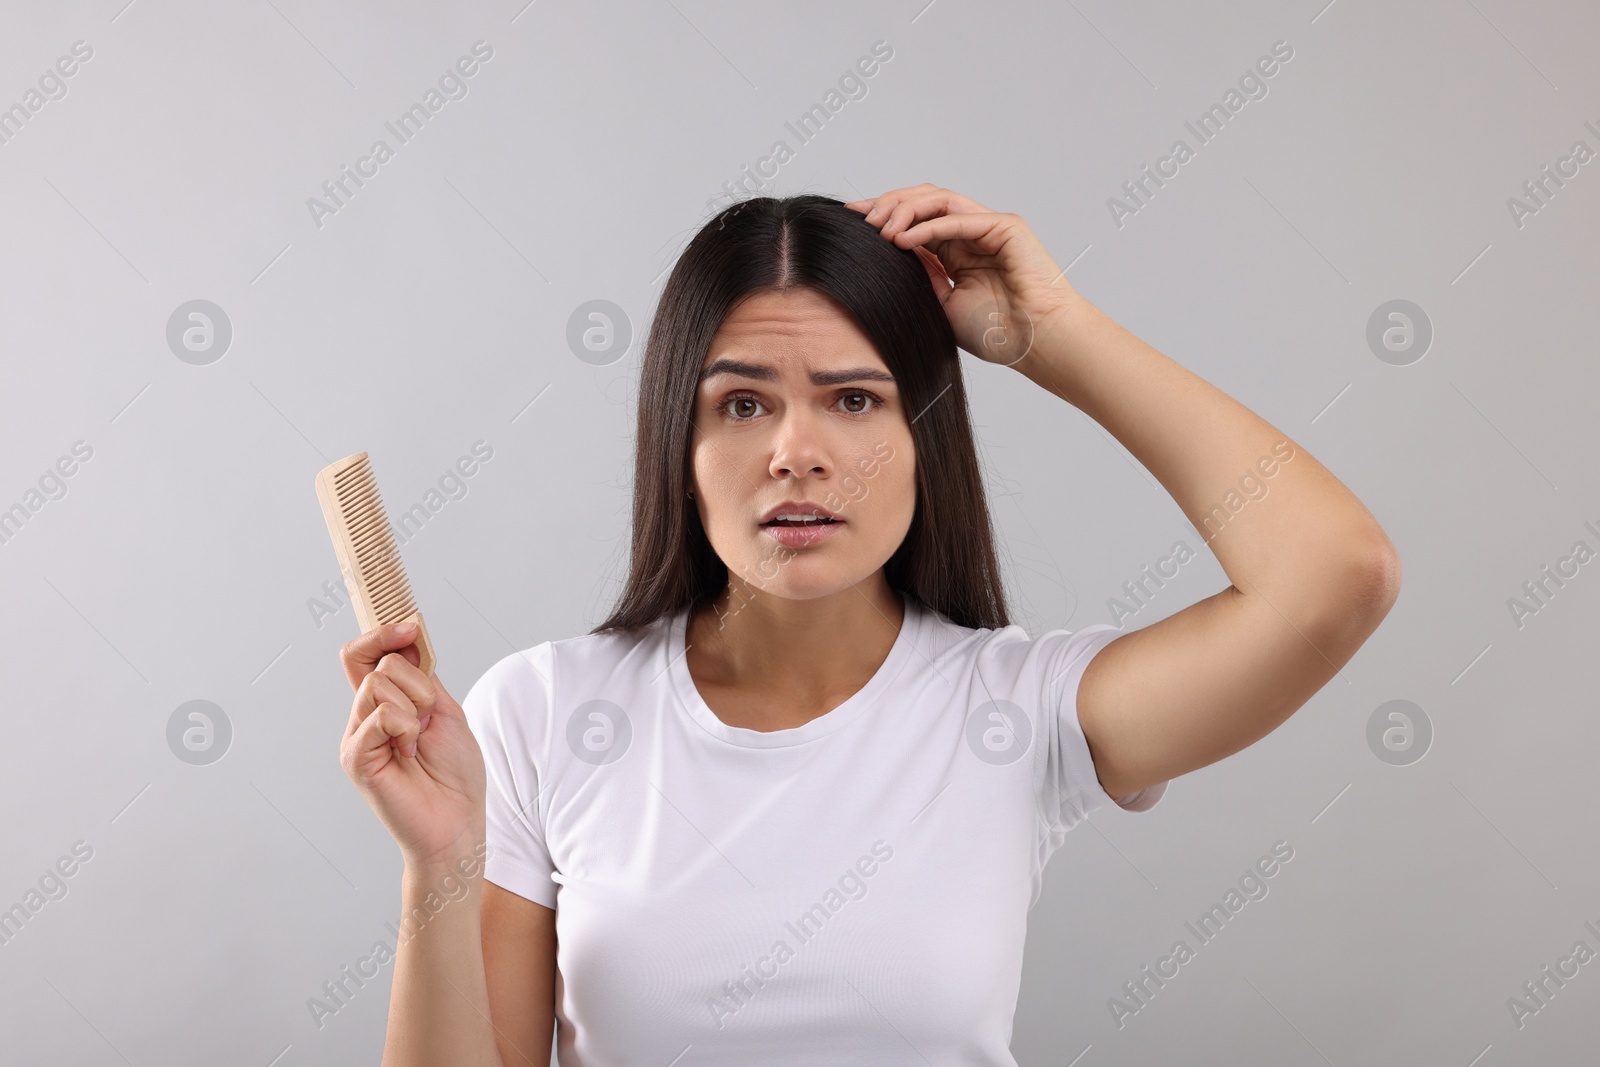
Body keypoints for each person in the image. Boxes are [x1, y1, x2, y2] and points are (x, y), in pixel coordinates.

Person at [337, 185, 1400, 1066]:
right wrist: (441, 867)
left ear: (923, 436)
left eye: (853, 399)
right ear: (679, 444)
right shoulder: (543, 710)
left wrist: (1054, 338)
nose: (796, 450)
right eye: (741, 404)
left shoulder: (1017, 709)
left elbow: (1334, 575)